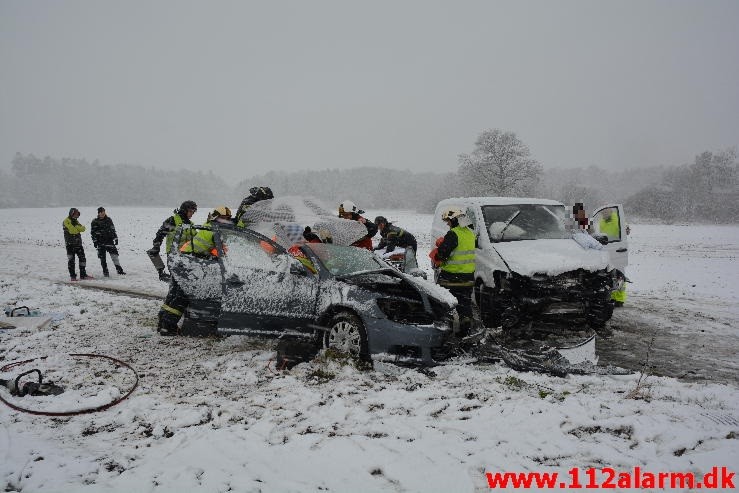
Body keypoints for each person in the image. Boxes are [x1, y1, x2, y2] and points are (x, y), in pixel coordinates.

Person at [158, 206, 231, 336]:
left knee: (175, 294)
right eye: (224, 218)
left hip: (185, 259)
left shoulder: (209, 225)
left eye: (228, 219)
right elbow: (218, 251)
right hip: (189, 262)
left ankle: (163, 321)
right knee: (182, 296)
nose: (226, 221)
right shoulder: (215, 230)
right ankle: (167, 327)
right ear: (217, 217)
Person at [435, 207, 477, 335]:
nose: (447, 224)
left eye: (448, 221)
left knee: (445, 305)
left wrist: (438, 251)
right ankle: (466, 332)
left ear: (454, 220)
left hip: (451, 278)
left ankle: (446, 332)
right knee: (465, 305)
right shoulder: (470, 233)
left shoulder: (453, 234)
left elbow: (442, 255)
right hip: (468, 278)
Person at [147, 200, 197, 282]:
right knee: (177, 278)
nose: (192, 214)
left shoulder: (190, 224)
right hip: (174, 253)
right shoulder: (173, 220)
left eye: (193, 212)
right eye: (191, 211)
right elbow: (160, 234)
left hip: (187, 254)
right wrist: (156, 246)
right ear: (184, 210)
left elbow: (196, 237)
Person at [90, 207, 126, 277]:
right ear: (98, 213)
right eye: (101, 212)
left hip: (109, 241)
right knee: (102, 258)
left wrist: (115, 237)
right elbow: (93, 233)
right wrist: (95, 241)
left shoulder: (109, 220)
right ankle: (105, 272)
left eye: (103, 212)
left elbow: (112, 229)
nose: (102, 213)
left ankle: (119, 270)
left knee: (115, 256)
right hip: (100, 242)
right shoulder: (94, 221)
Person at [63, 208, 91, 281]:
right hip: (70, 244)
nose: (76, 216)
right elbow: (73, 231)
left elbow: (83, 229)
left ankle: (83, 275)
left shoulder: (76, 221)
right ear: (71, 213)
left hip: (78, 243)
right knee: (71, 260)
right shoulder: (66, 221)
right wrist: (78, 227)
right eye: (75, 214)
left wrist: (77, 227)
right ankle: (73, 276)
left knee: (82, 259)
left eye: (77, 214)